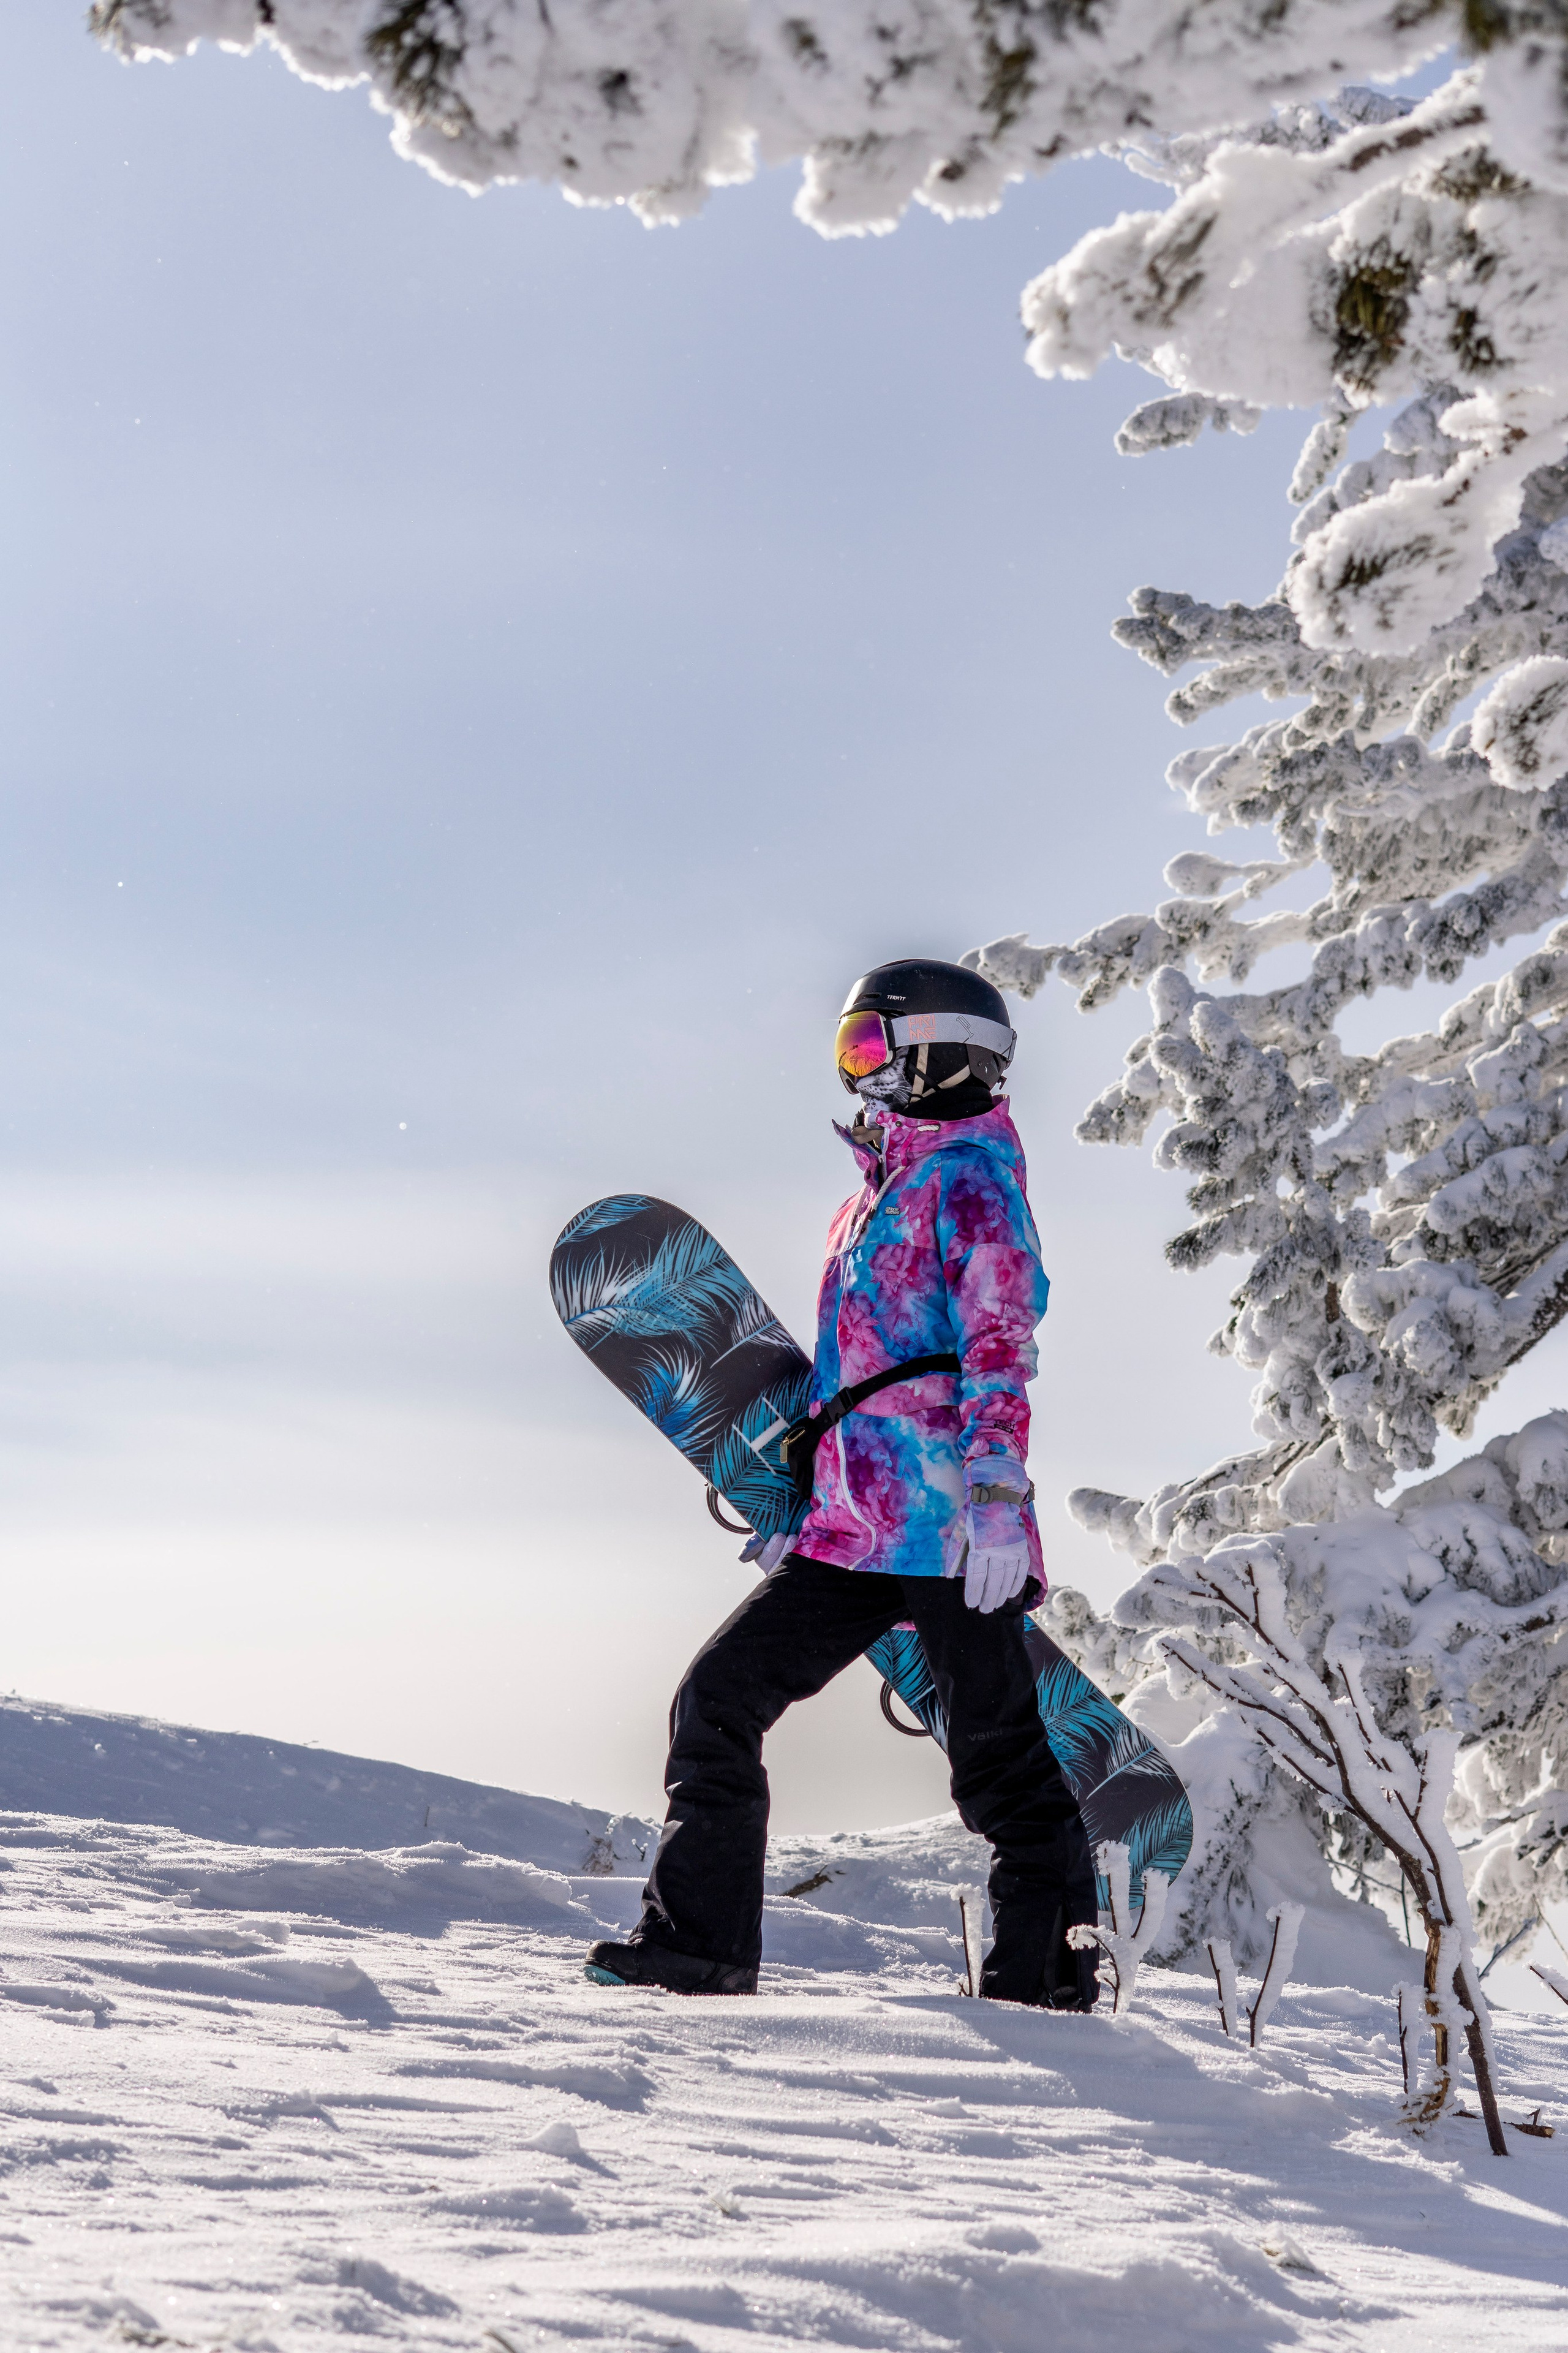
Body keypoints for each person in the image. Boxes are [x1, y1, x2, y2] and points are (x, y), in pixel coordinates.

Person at [585, 957, 1098, 2006]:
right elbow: (854, 1374)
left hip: (951, 1528)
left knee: (998, 1765)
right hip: (856, 1529)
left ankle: (1047, 1982)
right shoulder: (870, 1197)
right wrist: (808, 1499)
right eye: (849, 1052)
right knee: (718, 1698)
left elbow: (999, 1347)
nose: (858, 1074)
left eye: (873, 1048)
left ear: (946, 1054)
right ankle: (697, 1947)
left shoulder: (975, 1182)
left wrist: (999, 1503)